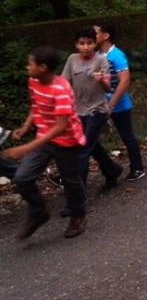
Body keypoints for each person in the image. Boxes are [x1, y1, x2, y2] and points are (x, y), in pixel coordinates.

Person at [5, 46, 88, 240]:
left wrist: (26, 148)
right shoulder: (33, 81)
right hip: (44, 137)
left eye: (30, 63)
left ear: (43, 67)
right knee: (22, 177)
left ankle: (78, 216)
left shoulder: (61, 89)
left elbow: (60, 127)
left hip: (68, 140)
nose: (27, 67)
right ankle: (39, 212)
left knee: (70, 180)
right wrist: (26, 126)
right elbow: (37, 105)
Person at [62, 27, 123, 196]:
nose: (86, 47)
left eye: (89, 43)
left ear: (95, 44)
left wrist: (101, 81)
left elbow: (108, 87)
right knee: (93, 145)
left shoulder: (100, 60)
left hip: (97, 110)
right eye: (82, 43)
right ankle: (111, 170)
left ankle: (77, 195)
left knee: (83, 150)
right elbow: (65, 82)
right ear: (76, 45)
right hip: (78, 110)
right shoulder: (72, 59)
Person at [94, 23, 146, 181]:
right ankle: (110, 169)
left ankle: (137, 168)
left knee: (127, 136)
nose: (92, 36)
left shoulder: (117, 55)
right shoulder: (96, 56)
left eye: (95, 33)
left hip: (119, 104)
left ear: (106, 35)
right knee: (90, 138)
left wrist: (112, 104)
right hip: (99, 103)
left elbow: (124, 81)